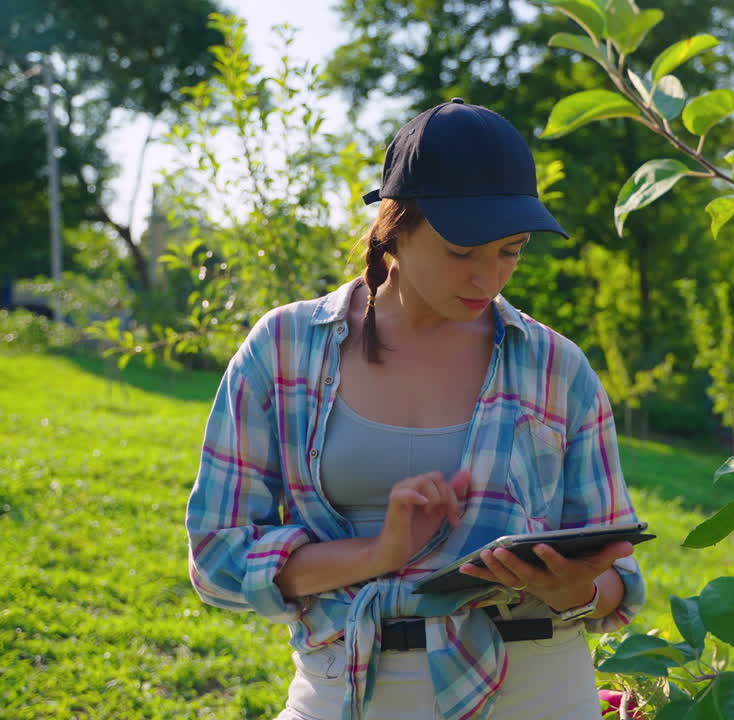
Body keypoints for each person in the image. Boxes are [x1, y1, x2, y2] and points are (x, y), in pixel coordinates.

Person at [185, 98, 645, 720]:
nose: (490, 277)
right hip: (347, 685)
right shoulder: (284, 348)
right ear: (394, 227)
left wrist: (579, 589)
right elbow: (218, 557)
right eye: (463, 252)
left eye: (510, 250)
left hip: (537, 685)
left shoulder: (557, 368)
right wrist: (380, 554)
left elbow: (620, 576)